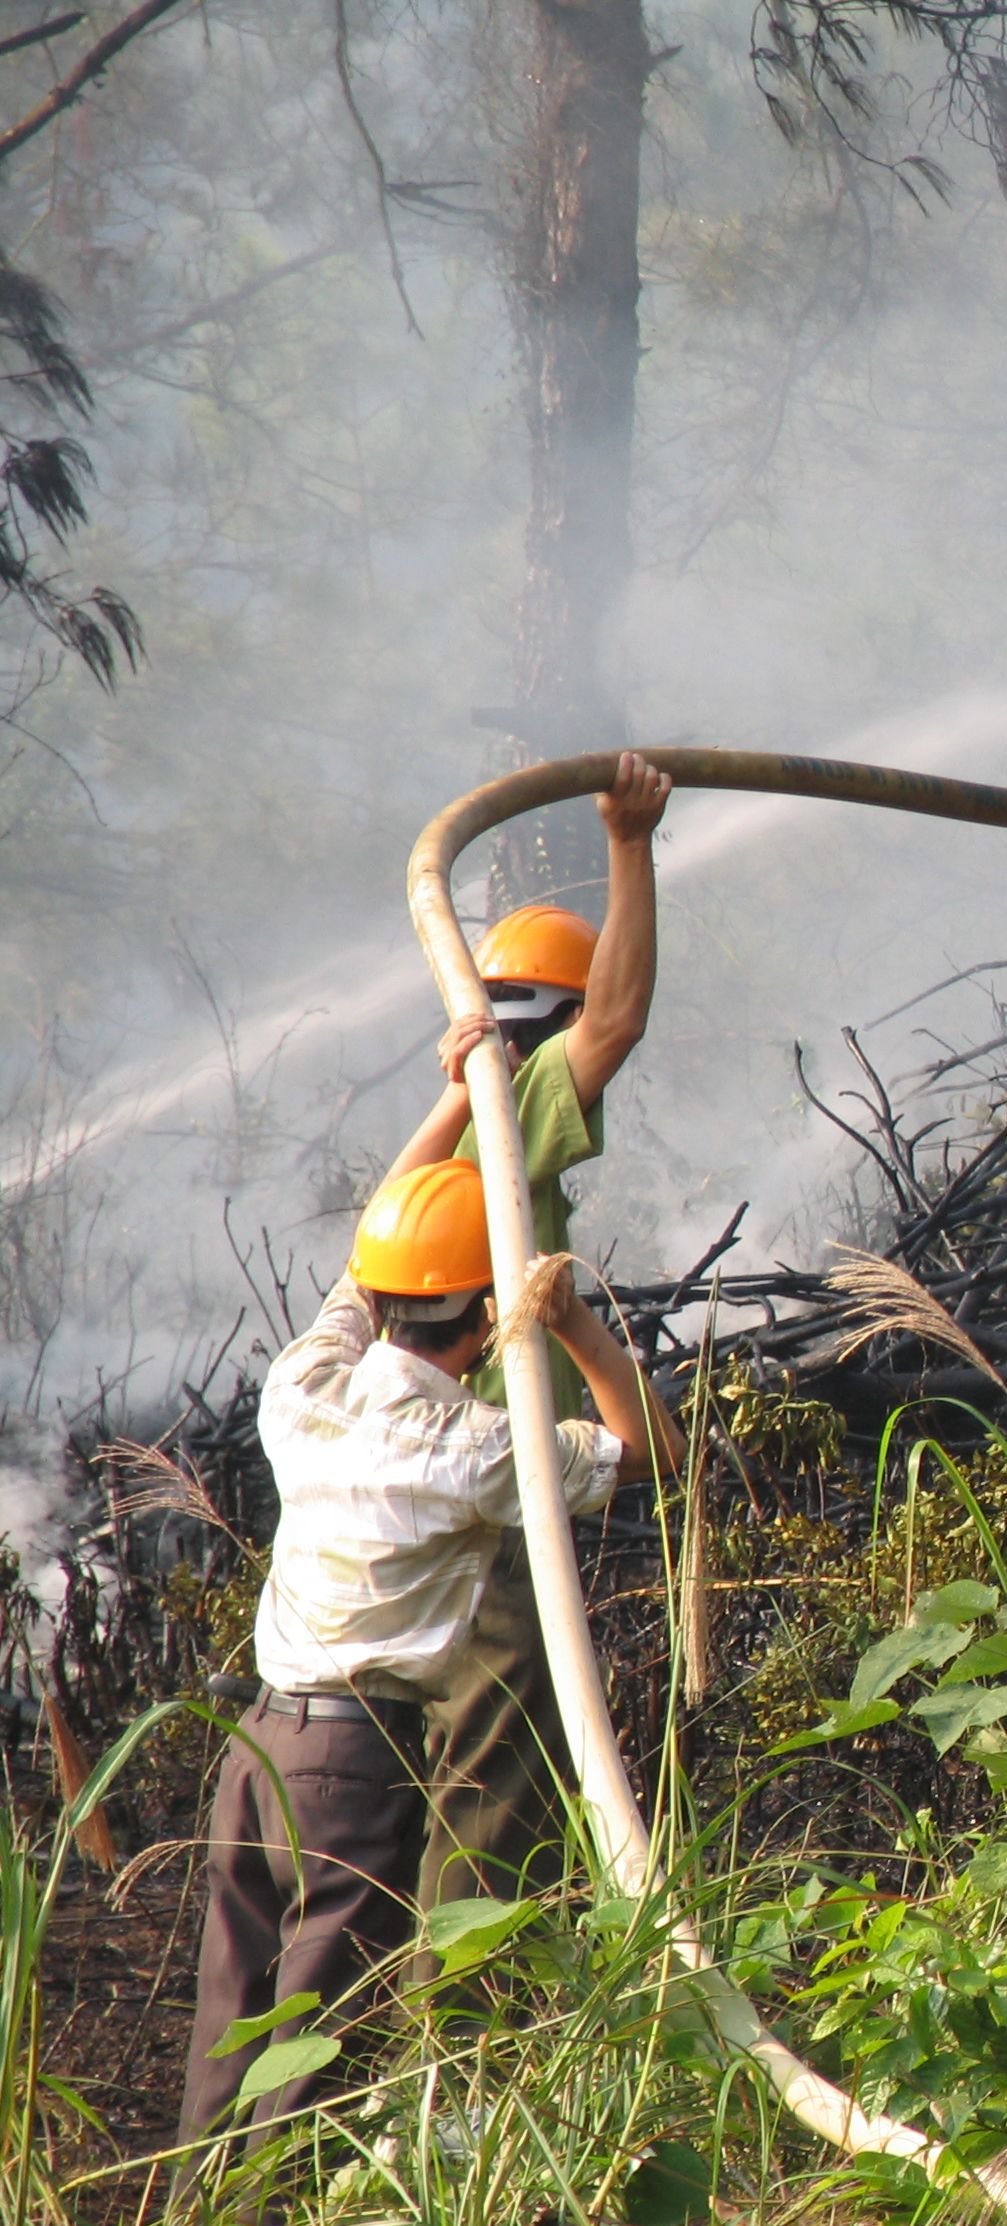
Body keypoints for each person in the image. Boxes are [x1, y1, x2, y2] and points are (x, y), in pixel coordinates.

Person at [180, 1154, 675, 2150]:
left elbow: (363, 1271)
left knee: (230, 2039)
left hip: (258, 1749)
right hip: (353, 1767)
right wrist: (570, 1321)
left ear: (378, 1296)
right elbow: (653, 1445)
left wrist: (450, 1098)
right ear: (488, 1317)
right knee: (316, 2059)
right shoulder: (477, 1447)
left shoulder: (303, 1388)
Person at [381, 750, 670, 1912]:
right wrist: (630, 844)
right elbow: (622, 1017)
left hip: (418, 1494)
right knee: (493, 1796)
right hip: (496, 1507)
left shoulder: (460, 1128)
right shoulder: (521, 1103)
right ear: (551, 1017)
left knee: (431, 1783)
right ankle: (466, 2002)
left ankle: (439, 1980)